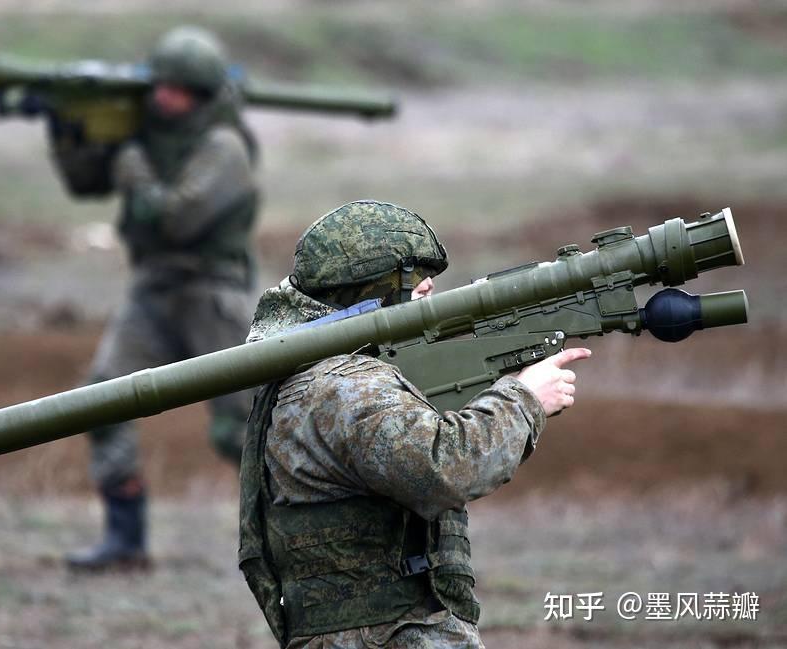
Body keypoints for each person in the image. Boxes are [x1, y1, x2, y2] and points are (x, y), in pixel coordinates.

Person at [238, 200, 591, 648]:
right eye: (416, 286)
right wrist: (524, 398)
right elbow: (445, 468)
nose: (429, 293)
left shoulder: (316, 374)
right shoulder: (348, 389)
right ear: (370, 290)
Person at [66, 26, 259, 571]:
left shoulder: (225, 147)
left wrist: (134, 171)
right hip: (152, 292)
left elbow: (178, 218)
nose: (161, 97)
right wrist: (73, 132)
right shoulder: (144, 137)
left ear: (199, 95)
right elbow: (84, 183)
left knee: (239, 430)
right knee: (102, 399)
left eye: (176, 89)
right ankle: (125, 541)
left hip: (211, 296)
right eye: (159, 86)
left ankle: (294, 533)